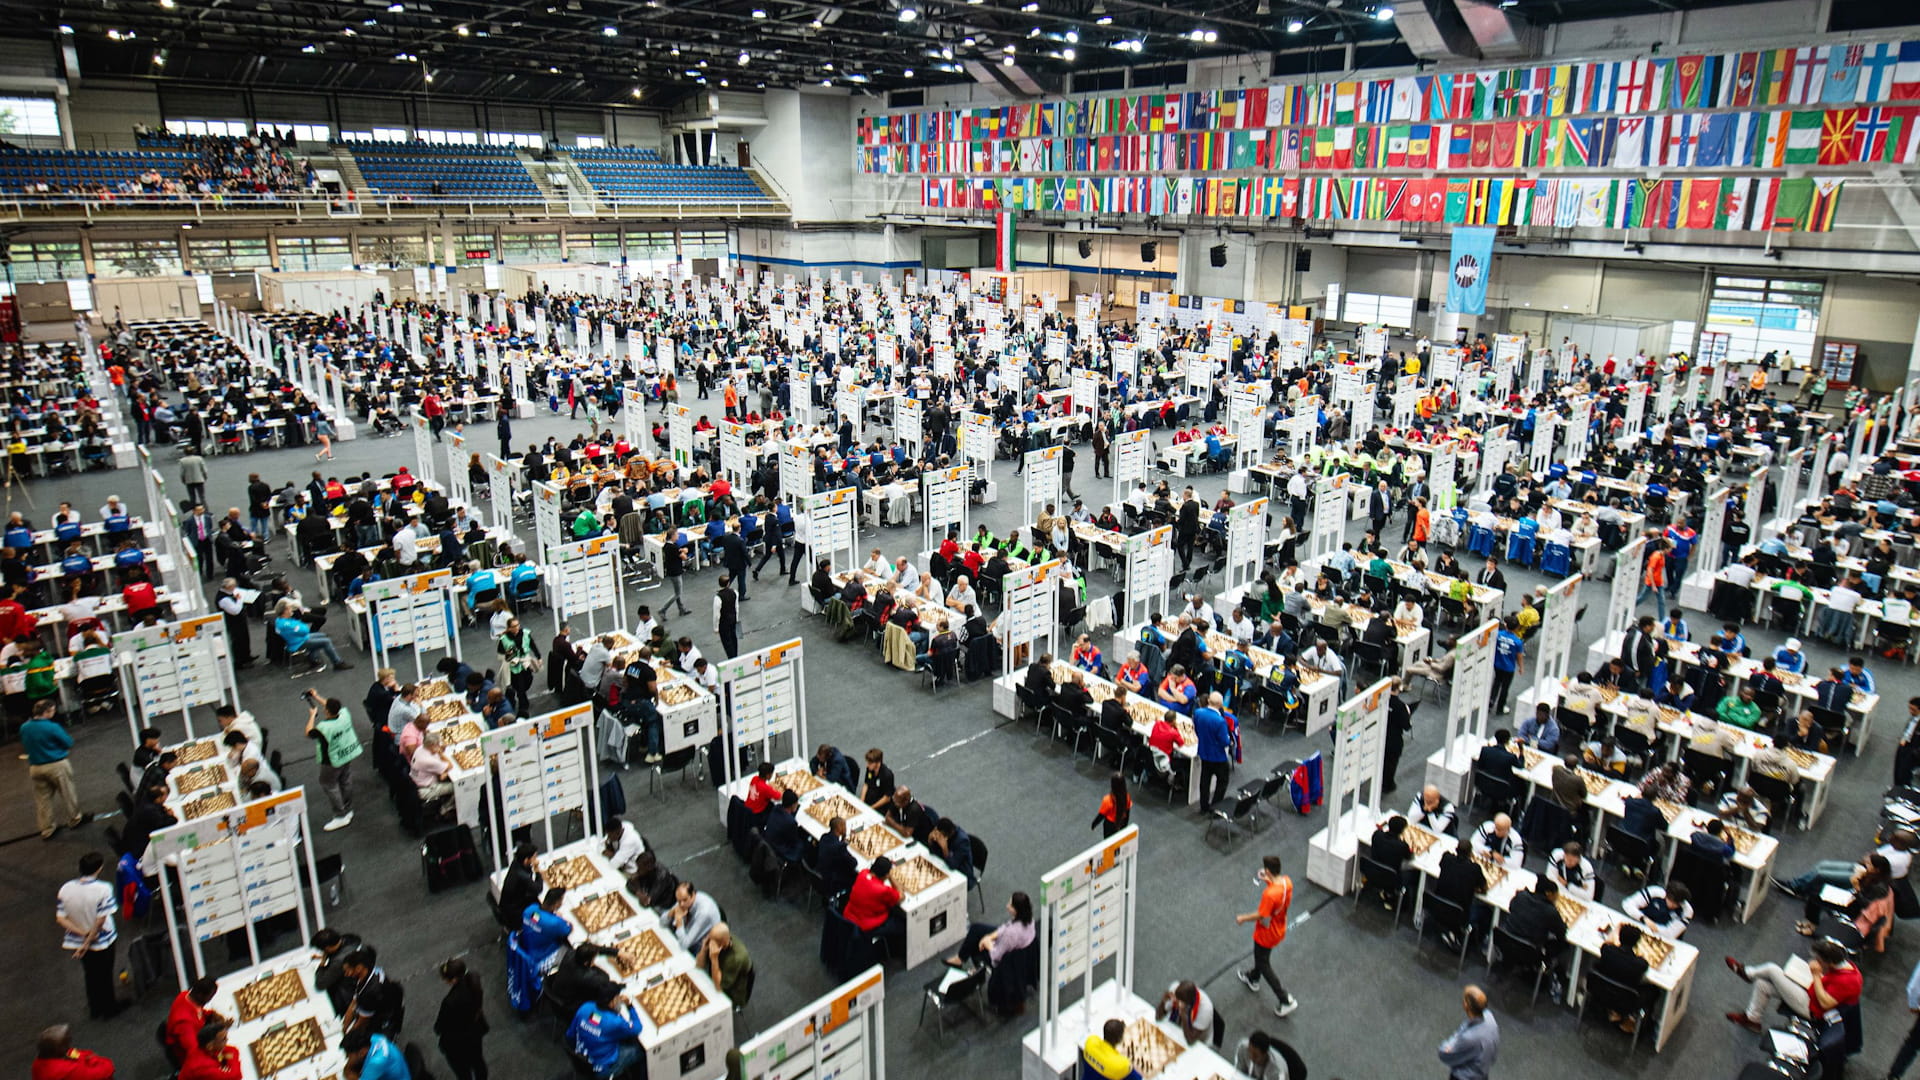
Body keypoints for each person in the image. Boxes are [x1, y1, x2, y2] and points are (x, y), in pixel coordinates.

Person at [1725, 938, 1860, 1032]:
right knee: (1762, 985)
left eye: (1819, 960)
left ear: (1829, 962)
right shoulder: (1844, 965)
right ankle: (1753, 1019)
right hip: (1811, 993)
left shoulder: (1847, 981)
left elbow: (1825, 1003)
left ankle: (1747, 973)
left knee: (1772, 969)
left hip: (1812, 1008)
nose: (1815, 961)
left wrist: (1816, 975)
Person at [56, 853, 119, 1019]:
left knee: (90, 973)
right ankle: (109, 1008)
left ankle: (95, 1008)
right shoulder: (103, 889)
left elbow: (60, 918)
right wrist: (90, 938)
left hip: (78, 940)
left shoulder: (66, 888)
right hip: (103, 940)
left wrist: (83, 935)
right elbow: (100, 920)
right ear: (99, 868)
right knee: (105, 973)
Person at [1236, 854, 1300, 1016]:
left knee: (1263, 963)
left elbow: (1261, 915)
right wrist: (1267, 880)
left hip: (1266, 934)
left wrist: (1243, 918)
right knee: (1261, 958)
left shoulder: (1269, 895)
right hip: (1279, 927)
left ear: (1268, 871)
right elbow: (1278, 893)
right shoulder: (1286, 882)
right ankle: (1253, 978)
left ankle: (1285, 999)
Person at [22, 699, 84, 840]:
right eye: (53, 710)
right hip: (56, 765)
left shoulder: (24, 727)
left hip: (35, 767)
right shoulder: (51, 727)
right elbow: (68, 742)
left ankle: (47, 828)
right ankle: (75, 818)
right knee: (68, 793)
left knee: (43, 800)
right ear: (47, 712)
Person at [306, 693, 362, 832]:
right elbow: (332, 706)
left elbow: (308, 732)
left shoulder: (324, 727)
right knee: (345, 780)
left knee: (329, 785)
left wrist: (312, 715)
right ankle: (347, 808)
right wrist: (316, 696)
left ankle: (340, 815)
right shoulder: (344, 715)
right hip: (347, 753)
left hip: (332, 760)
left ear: (326, 711)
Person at [946, 891, 1037, 971]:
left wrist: (987, 943)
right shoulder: (1028, 919)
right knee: (976, 929)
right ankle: (960, 959)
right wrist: (989, 937)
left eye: (1010, 904)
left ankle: (978, 970)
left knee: (975, 946)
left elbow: (996, 956)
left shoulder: (1010, 934)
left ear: (1015, 910)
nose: (1007, 906)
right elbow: (1005, 927)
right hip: (1014, 948)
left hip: (1004, 961)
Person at [434, 958, 489, 1080]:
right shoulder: (473, 980)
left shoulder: (450, 1002)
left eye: (445, 978)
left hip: (458, 1041)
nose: (444, 981)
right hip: (475, 1032)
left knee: (462, 1071)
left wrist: (437, 1029)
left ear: (454, 980)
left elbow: (440, 1026)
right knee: (478, 1061)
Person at [1436, 985, 1499, 1080]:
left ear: (1466, 1005)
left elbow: (1444, 1055)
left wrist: (1449, 1046)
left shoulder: (1468, 1038)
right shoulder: (1490, 1018)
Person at [844, 856, 906, 945]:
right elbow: (901, 896)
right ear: (886, 875)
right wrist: (890, 877)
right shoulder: (883, 890)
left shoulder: (863, 873)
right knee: (902, 924)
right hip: (865, 927)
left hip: (848, 918)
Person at [165, 976, 224, 1065]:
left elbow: (197, 1011)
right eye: (209, 997)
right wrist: (217, 1052)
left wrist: (210, 1014)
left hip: (197, 1037)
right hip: (188, 1057)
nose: (209, 1001)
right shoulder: (184, 1024)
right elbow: (194, 1052)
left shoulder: (186, 995)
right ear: (200, 995)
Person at [1193, 691, 1235, 812]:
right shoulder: (1220, 721)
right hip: (1218, 757)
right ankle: (1216, 807)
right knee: (1222, 781)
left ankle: (1204, 807)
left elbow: (1196, 730)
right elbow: (1224, 741)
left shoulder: (1198, 713)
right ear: (1221, 705)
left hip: (1204, 752)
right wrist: (1230, 742)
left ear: (1209, 701)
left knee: (1204, 781)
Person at [495, 616, 541, 715]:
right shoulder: (503, 639)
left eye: (518, 625)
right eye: (514, 626)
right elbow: (499, 655)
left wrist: (539, 657)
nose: (517, 628)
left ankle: (521, 695)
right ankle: (523, 706)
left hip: (525, 663)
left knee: (528, 680)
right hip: (513, 667)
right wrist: (508, 655)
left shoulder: (526, 633)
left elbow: (532, 645)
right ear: (509, 628)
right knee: (520, 687)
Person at [32, 1025, 114, 1080]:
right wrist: (94, 1060)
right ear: (58, 1048)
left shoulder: (40, 1061)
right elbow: (107, 1070)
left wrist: (87, 1058)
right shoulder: (66, 1070)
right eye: (67, 1043)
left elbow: (78, 1053)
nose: (69, 1047)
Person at [1622, 880, 1693, 940]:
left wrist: (1655, 928)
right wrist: (1643, 918)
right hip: (1639, 926)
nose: (1673, 905)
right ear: (1666, 895)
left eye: (1677, 904)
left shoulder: (1687, 911)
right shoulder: (1654, 892)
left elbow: (1670, 934)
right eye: (1671, 901)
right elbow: (1627, 904)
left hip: (1661, 937)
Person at [702, 923, 753, 1005]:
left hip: (732, 988)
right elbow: (700, 964)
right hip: (718, 973)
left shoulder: (735, 958)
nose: (710, 944)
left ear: (721, 944)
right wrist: (704, 949)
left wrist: (714, 958)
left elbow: (719, 986)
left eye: (712, 941)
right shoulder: (719, 939)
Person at [1156, 980, 1216, 1045]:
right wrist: (1163, 1001)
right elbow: (1158, 1017)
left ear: (1188, 1004)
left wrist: (1184, 1016)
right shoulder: (1174, 990)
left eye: (1179, 1001)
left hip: (1198, 1041)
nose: (1176, 1001)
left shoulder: (1205, 1010)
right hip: (1176, 1030)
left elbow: (1190, 1040)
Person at [178, 1020, 243, 1080]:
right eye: (223, 1039)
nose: (227, 1040)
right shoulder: (203, 1068)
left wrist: (227, 1059)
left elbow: (233, 1050)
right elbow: (236, 1076)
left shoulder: (206, 1049)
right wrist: (230, 1062)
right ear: (210, 1046)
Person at [670, 880, 721, 952]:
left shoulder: (703, 913)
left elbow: (684, 945)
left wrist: (679, 924)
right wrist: (670, 914)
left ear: (693, 895)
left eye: (684, 900)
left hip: (705, 940)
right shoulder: (684, 899)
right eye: (679, 901)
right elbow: (662, 922)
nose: (681, 904)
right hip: (690, 930)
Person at [341, 1027, 411, 1080]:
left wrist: (348, 1072)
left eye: (348, 1055)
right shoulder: (375, 1037)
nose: (347, 1057)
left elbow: (348, 1072)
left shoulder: (376, 1062)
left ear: (362, 1052)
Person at [817, 815, 858, 896]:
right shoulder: (839, 848)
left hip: (821, 870)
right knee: (856, 875)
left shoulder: (824, 837)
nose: (846, 828)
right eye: (844, 826)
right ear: (839, 828)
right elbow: (854, 863)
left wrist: (843, 841)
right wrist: (843, 845)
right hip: (832, 880)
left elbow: (836, 848)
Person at [1092, 772, 1132, 837]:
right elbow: (1127, 812)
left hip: (1110, 825)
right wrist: (1125, 825)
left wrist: (1094, 824)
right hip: (1122, 822)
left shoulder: (1107, 800)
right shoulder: (1127, 797)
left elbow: (1101, 816)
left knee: (1108, 840)